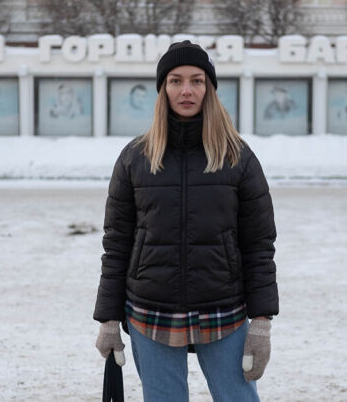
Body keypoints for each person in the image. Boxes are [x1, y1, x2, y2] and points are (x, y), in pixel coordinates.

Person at [93, 40, 278, 401]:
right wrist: (108, 320)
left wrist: (261, 322)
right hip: (150, 313)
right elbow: (116, 244)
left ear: (209, 89)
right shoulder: (135, 158)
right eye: (176, 81)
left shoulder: (238, 158)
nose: (187, 90)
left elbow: (258, 244)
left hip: (224, 311)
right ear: (163, 89)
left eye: (197, 80)